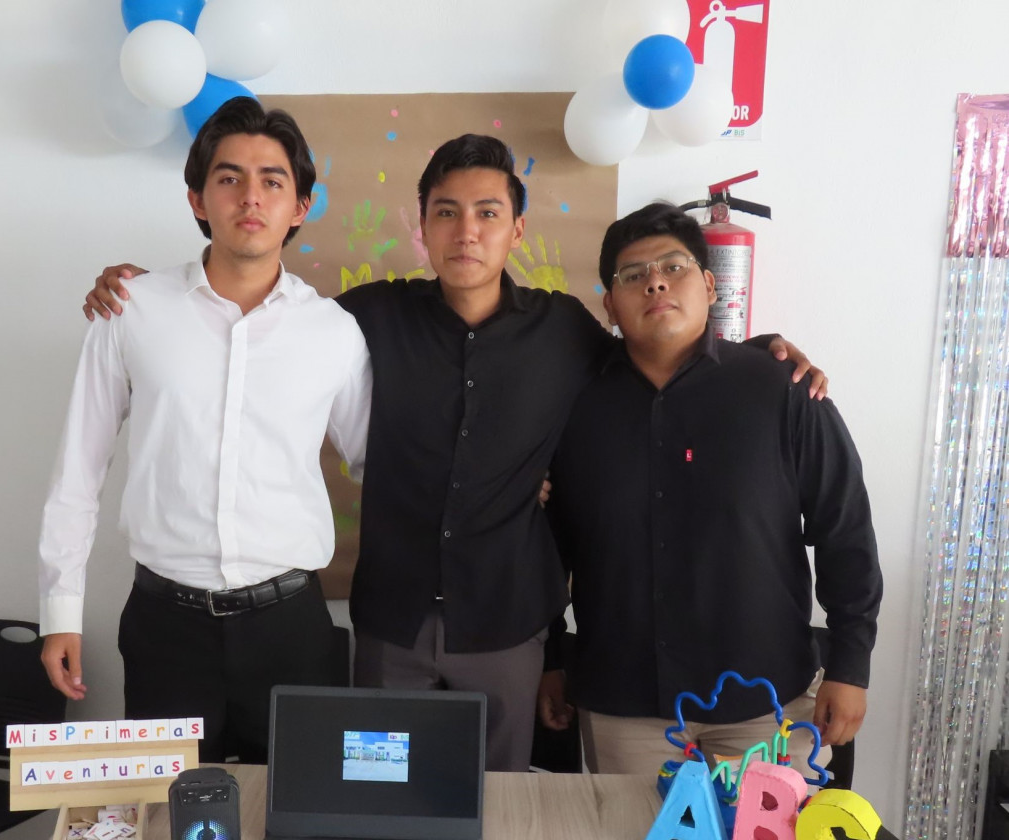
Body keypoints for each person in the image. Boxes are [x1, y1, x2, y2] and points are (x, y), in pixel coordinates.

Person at [83, 134, 825, 770]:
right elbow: (261, 320)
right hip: (391, 622)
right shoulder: (366, 317)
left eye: (487, 213)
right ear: (423, 227)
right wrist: (151, 291)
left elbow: (654, 352)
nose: (466, 231)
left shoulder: (565, 331)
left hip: (506, 624)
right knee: (376, 796)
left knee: (497, 802)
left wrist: (755, 352)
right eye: (446, 213)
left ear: (516, 229)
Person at [39, 97, 373, 764]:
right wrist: (60, 612)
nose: (250, 196)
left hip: (291, 628)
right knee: (169, 815)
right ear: (197, 198)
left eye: (272, 181)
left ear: (300, 206)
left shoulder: (333, 333)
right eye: (229, 178)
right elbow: (79, 468)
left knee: (295, 808)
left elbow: (378, 465)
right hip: (167, 627)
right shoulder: (131, 311)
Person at [537, 203, 882, 781]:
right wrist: (550, 657)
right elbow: (546, 548)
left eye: (673, 267)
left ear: (710, 285)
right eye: (633, 275)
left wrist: (851, 665)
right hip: (625, 707)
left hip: (766, 702)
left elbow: (844, 528)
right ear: (610, 305)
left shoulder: (783, 391)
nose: (655, 282)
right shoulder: (573, 407)